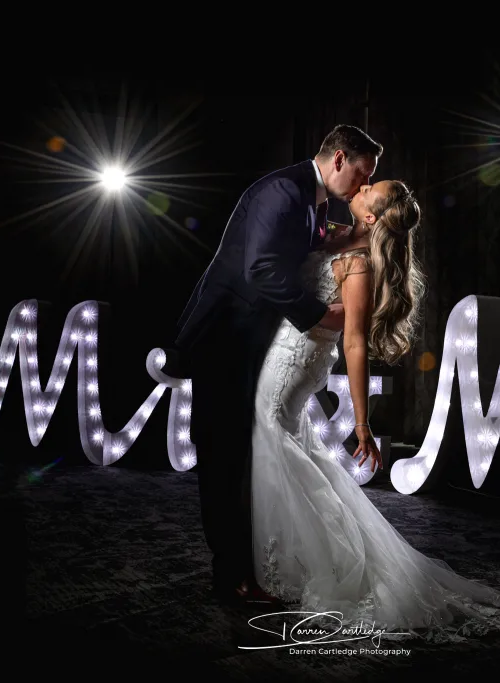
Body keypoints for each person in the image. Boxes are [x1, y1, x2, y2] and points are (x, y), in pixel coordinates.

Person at [249, 178, 500, 642]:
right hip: (285, 346)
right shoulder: (339, 236)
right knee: (282, 442)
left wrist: (362, 425)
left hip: (296, 359)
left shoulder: (357, 265)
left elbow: (355, 342)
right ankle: (285, 555)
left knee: (270, 433)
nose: (359, 187)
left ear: (372, 216)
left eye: (369, 188)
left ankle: (300, 564)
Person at [176, 124, 382, 607]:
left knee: (242, 455)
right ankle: (230, 577)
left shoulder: (311, 197)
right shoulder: (283, 191)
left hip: (249, 340)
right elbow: (262, 269)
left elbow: (295, 254)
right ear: (338, 159)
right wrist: (322, 316)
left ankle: (243, 569)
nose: (360, 186)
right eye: (360, 174)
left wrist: (345, 239)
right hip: (224, 339)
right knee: (225, 458)